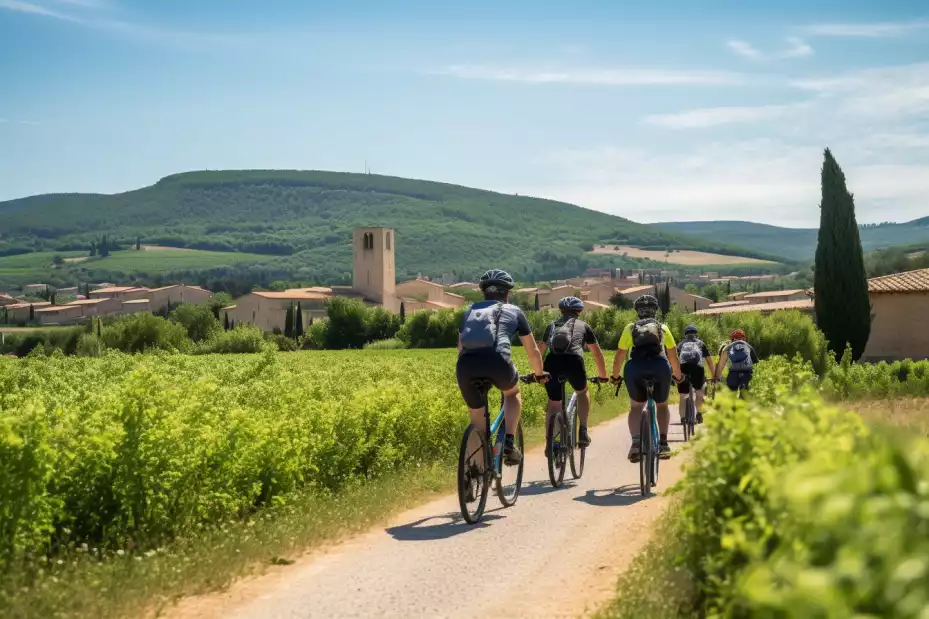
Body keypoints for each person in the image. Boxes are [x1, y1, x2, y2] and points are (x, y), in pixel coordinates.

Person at [457, 268, 548, 465]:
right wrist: (539, 374)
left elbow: (460, 348)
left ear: (484, 293)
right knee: (512, 393)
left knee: (477, 421)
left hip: (466, 366)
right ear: (507, 293)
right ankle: (509, 442)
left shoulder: (469, 311)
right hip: (497, 361)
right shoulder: (514, 311)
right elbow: (533, 351)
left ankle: (475, 470)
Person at [610, 294, 684, 462]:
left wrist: (615, 376)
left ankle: (636, 444)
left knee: (636, 407)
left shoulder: (630, 328)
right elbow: (673, 356)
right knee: (662, 405)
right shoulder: (663, 328)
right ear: (655, 311)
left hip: (635, 368)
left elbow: (620, 354)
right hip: (660, 367)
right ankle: (663, 444)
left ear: (637, 312)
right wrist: (678, 376)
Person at [539, 296, 609, 452]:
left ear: (561, 310)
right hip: (574, 361)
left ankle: (550, 443)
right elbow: (597, 354)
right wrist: (603, 375)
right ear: (579, 311)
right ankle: (583, 430)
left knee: (554, 403)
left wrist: (537, 372)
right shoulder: (584, 326)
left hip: (552, 362)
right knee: (582, 392)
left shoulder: (552, 326)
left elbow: (540, 350)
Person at [676, 324, 716, 425]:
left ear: (685, 335)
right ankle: (698, 413)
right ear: (696, 334)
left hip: (683, 368)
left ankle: (683, 418)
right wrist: (714, 375)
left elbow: (675, 359)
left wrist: (676, 373)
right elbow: (709, 360)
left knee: (682, 395)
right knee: (699, 392)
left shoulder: (681, 344)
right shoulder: (700, 343)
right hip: (697, 368)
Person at [715, 329, 759, 393]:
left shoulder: (727, 348)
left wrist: (717, 378)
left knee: (731, 390)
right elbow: (756, 363)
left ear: (732, 339)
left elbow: (720, 366)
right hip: (746, 374)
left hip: (732, 375)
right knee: (745, 391)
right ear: (744, 339)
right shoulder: (749, 347)